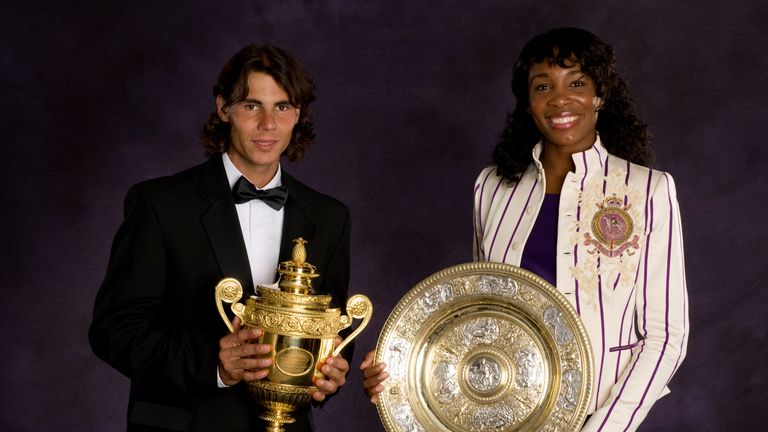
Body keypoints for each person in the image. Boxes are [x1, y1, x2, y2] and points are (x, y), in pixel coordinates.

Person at [361, 28, 688, 432]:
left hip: (604, 416)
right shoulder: (492, 188)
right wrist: (403, 365)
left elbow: (665, 336)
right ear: (528, 103)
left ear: (600, 96)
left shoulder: (647, 190)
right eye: (543, 86)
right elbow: (481, 314)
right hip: (505, 418)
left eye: (578, 83)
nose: (561, 98)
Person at [90, 45, 352, 432]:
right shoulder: (161, 204)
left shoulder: (330, 217)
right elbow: (114, 330)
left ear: (298, 115)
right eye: (251, 106)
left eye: (282, 107)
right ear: (223, 108)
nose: (268, 123)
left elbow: (334, 328)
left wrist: (330, 375)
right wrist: (212, 364)